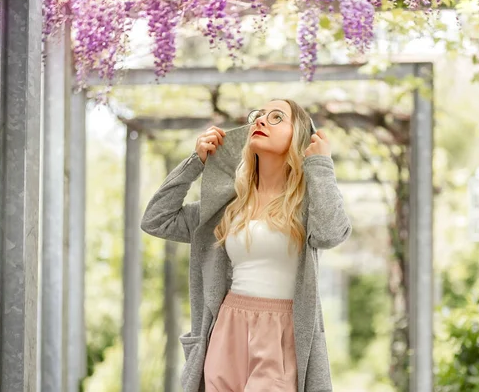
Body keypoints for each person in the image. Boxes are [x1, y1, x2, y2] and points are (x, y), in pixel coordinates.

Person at [141, 99, 352, 392]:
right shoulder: (228, 205)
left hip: (281, 333)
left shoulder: (307, 204)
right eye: (259, 115)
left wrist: (320, 165)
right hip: (228, 326)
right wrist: (195, 163)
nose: (261, 121)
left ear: (299, 136)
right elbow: (156, 219)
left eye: (277, 117)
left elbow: (332, 233)